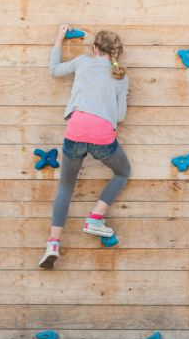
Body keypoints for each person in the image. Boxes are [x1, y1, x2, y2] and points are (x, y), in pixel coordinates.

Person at [38, 25, 131, 269]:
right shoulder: (121, 76)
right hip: (102, 137)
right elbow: (120, 116)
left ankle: (53, 245)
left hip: (76, 131)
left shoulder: (82, 62)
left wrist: (59, 35)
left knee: (66, 187)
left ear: (95, 48)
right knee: (123, 172)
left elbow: (55, 71)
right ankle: (95, 218)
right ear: (115, 53)